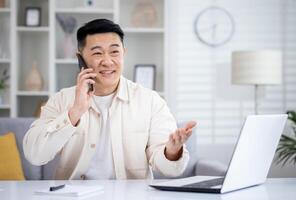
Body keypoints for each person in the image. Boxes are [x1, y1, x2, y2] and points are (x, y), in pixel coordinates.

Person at [23, 19, 197, 180]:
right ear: (80, 58)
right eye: (97, 53)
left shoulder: (150, 101)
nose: (107, 61)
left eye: (114, 52)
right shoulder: (61, 100)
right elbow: (34, 155)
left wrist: (172, 151)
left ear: (123, 54)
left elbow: (170, 169)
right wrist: (74, 112)